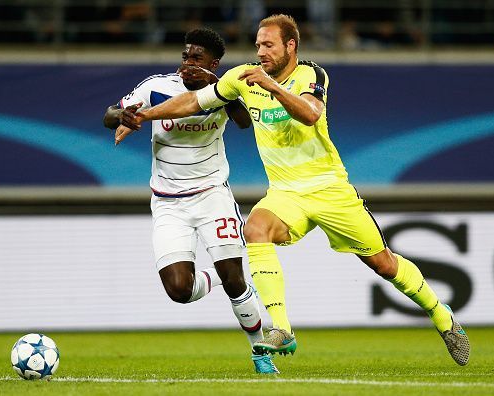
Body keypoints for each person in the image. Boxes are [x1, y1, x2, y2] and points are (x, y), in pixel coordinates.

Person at [122, 14, 471, 367]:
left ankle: (442, 316)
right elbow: (194, 103)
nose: (261, 52)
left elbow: (310, 115)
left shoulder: (311, 74)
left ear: (291, 46)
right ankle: (281, 328)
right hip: (285, 194)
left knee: (384, 265)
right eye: (258, 45)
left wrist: (272, 87)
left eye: (269, 45)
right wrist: (143, 116)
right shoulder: (242, 77)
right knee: (255, 228)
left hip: (330, 189)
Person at [103, 28, 279, 374]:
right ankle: (219, 277)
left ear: (213, 63)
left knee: (235, 280)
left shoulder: (225, 88)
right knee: (179, 290)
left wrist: (216, 85)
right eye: (185, 56)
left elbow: (245, 122)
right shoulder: (156, 87)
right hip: (168, 204)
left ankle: (261, 353)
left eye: (196, 58)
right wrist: (120, 117)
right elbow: (109, 114)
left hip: (213, 196)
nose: (187, 63)